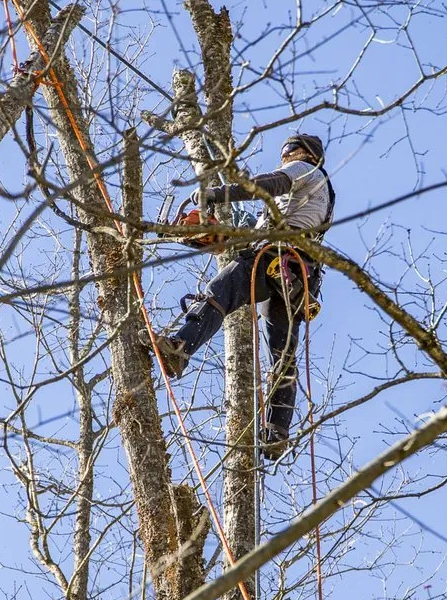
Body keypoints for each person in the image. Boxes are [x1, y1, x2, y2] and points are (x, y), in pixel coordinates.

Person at [141, 133, 335, 460]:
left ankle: (181, 348)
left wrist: (218, 193)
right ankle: (276, 432)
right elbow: (251, 229)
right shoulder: (309, 199)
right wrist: (205, 232)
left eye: (291, 150)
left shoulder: (306, 171)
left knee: (222, 290)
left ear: (308, 154)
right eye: (285, 151)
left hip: (276, 257)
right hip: (295, 278)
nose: (285, 156)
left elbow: (268, 184)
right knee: (282, 355)